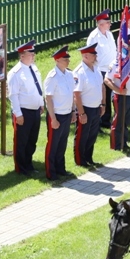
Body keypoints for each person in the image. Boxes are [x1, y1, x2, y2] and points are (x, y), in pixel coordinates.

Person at [8, 40, 44, 176]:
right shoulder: (15, 73)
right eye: (31, 54)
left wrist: (41, 103)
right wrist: (18, 114)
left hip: (35, 110)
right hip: (23, 111)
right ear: (22, 56)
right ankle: (21, 168)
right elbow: (13, 95)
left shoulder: (33, 68)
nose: (33, 56)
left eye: (34, 54)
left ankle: (28, 164)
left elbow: (37, 87)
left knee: (32, 140)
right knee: (21, 141)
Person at [43, 46, 76, 180]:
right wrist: (53, 119)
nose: (68, 61)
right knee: (53, 144)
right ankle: (51, 172)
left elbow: (72, 95)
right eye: (65, 59)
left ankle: (60, 168)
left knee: (62, 143)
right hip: (56, 115)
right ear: (57, 60)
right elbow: (48, 99)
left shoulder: (69, 74)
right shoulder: (52, 77)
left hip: (67, 113)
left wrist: (73, 111)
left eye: (68, 58)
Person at [73, 43, 105, 167]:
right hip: (85, 108)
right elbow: (77, 94)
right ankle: (80, 160)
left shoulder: (95, 68)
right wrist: (81, 113)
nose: (95, 56)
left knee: (92, 134)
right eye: (93, 54)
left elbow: (101, 86)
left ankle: (88, 157)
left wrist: (103, 104)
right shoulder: (79, 72)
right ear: (85, 56)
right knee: (82, 135)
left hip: (96, 107)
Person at [104, 36, 130, 151]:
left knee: (126, 121)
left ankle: (124, 142)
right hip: (120, 96)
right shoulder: (117, 63)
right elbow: (107, 80)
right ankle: (116, 145)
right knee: (118, 122)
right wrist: (118, 90)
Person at [86, 9, 116, 128]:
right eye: (108, 22)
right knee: (102, 97)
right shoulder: (94, 37)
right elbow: (89, 54)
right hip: (100, 70)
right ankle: (100, 121)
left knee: (109, 95)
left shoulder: (109, 34)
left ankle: (106, 119)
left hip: (111, 69)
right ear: (100, 24)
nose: (110, 24)